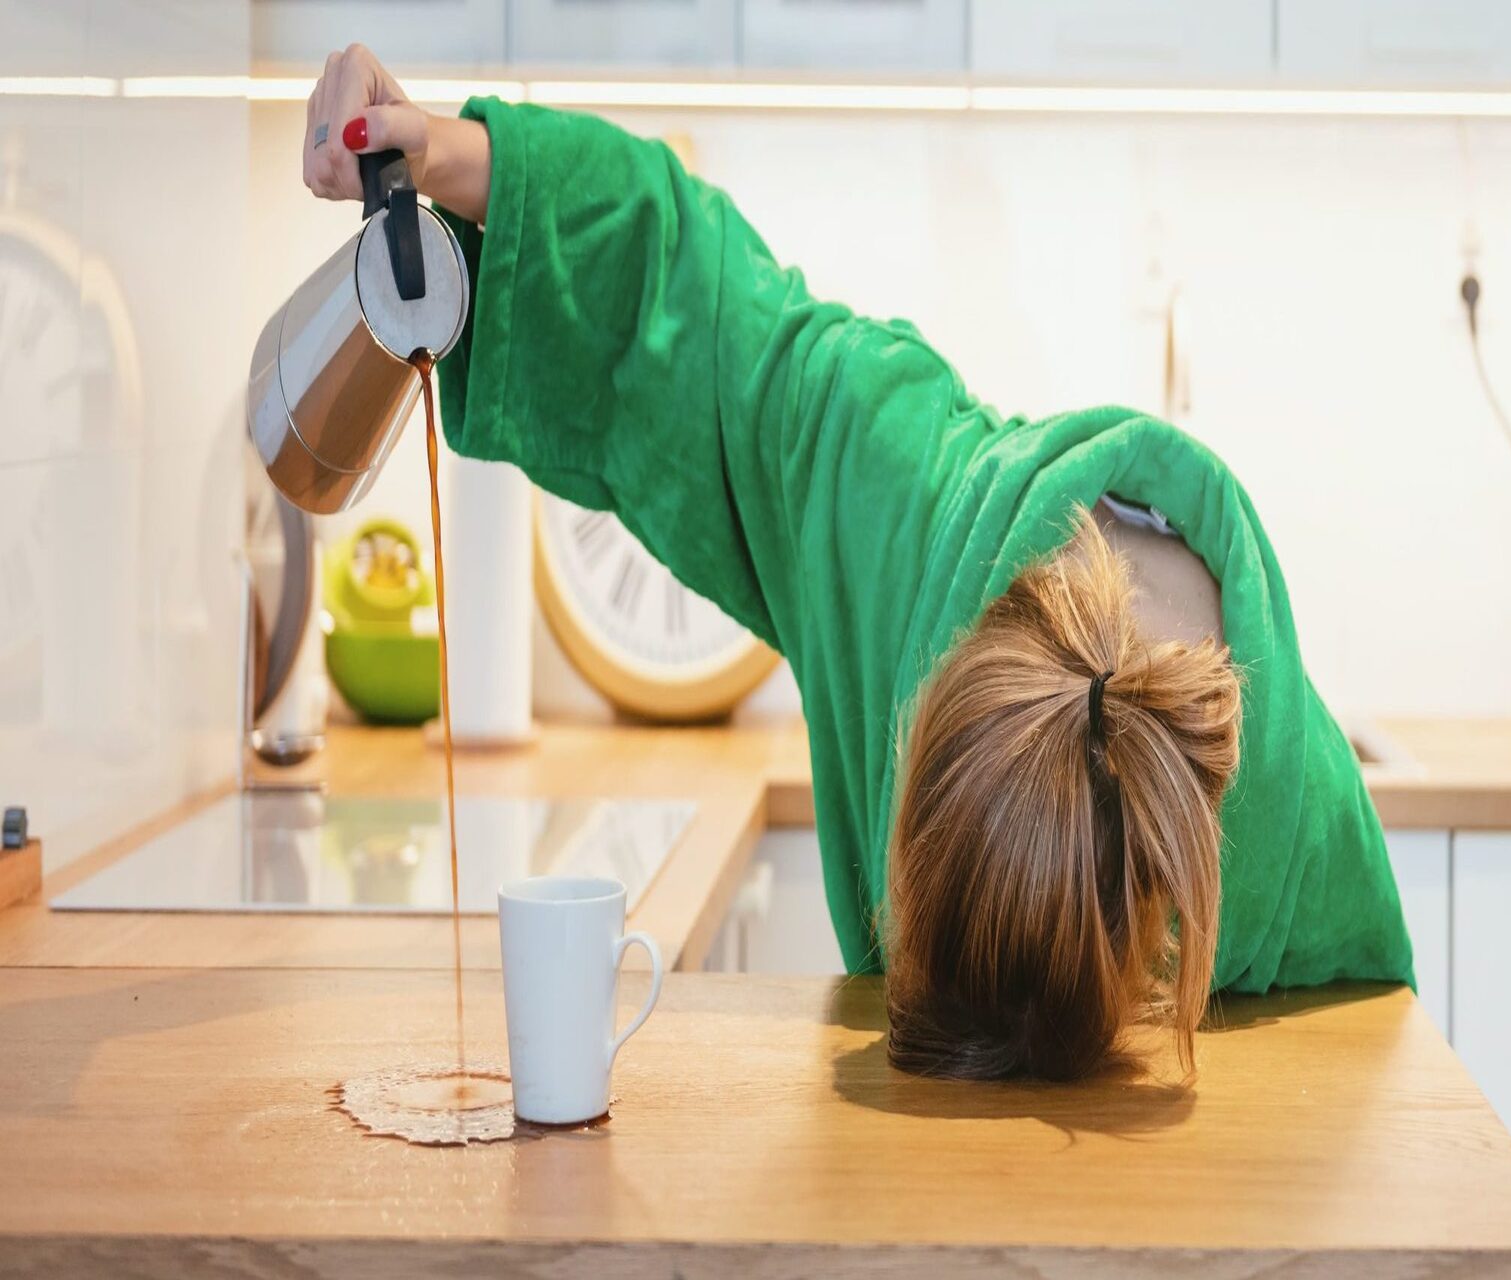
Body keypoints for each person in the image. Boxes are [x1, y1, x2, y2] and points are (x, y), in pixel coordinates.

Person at [302, 46, 1413, 1082]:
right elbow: (697, 308)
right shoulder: (894, 500)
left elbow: (1351, 1085)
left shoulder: (1295, 838)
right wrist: (468, 163)